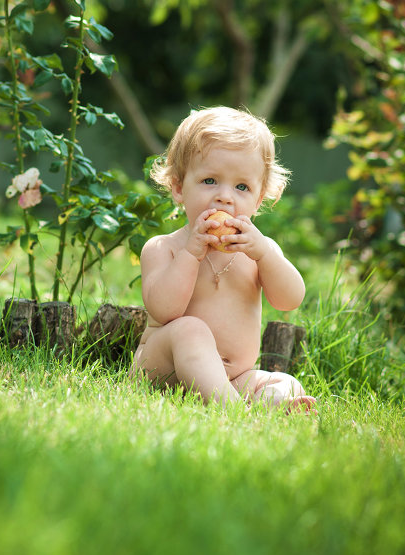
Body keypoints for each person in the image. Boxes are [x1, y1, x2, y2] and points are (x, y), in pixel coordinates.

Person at [131, 106, 317, 413]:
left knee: (286, 382)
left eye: (242, 187)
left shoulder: (259, 251)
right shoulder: (164, 248)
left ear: (258, 200)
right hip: (165, 371)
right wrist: (192, 253)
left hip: (234, 378)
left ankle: (266, 403)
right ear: (179, 188)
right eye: (210, 181)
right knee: (190, 328)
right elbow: (164, 312)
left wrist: (265, 254)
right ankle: (234, 411)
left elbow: (290, 300)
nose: (225, 197)